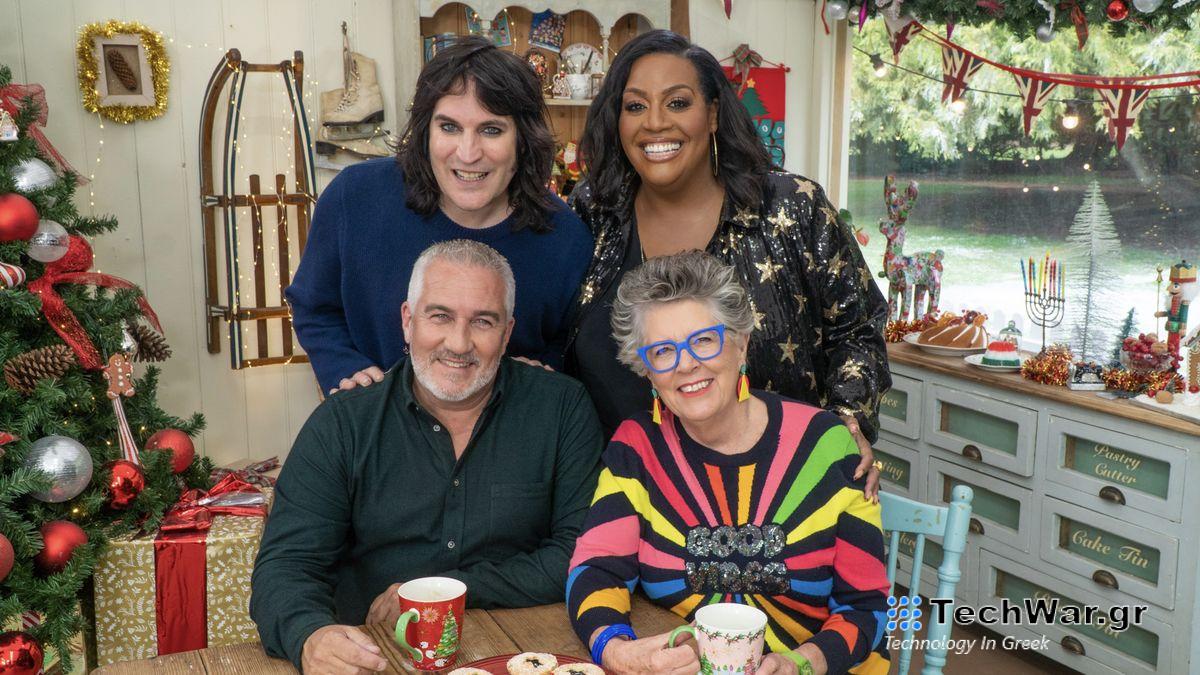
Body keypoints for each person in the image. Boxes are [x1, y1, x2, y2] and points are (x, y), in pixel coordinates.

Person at [253, 240, 604, 673]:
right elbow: (287, 566)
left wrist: (449, 588)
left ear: (508, 332)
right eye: (440, 316)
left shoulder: (561, 408)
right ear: (407, 320)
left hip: (525, 650)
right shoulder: (343, 423)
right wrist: (310, 636)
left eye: (483, 321)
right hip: (380, 657)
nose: (458, 343)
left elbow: (581, 552)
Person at [567, 30, 889, 492]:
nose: (655, 123)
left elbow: (859, 331)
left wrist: (846, 423)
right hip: (627, 496)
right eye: (635, 106)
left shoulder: (792, 208)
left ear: (713, 113)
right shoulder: (592, 212)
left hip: (782, 495)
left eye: (677, 103)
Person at [566, 252, 890, 675]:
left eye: (704, 340)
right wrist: (617, 651)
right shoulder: (637, 446)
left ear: (742, 344)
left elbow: (866, 605)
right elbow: (597, 569)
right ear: (645, 370)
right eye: (662, 351)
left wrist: (801, 664)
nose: (685, 364)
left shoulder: (828, 445)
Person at [287, 36, 593, 395]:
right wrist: (343, 368)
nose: (467, 153)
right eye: (449, 127)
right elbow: (313, 305)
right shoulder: (355, 197)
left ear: (523, 141)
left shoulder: (565, 237)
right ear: (425, 131)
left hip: (504, 436)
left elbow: (568, 343)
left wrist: (546, 369)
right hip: (374, 428)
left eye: (491, 130)